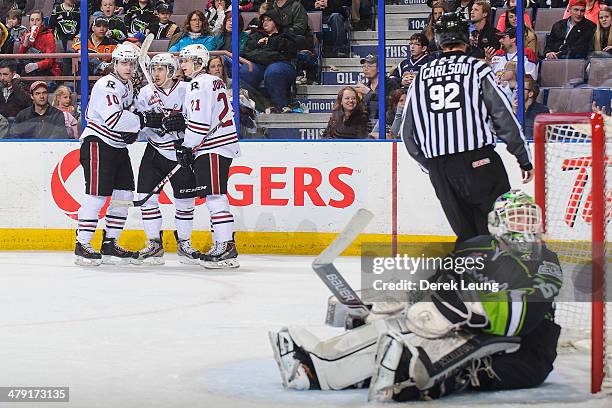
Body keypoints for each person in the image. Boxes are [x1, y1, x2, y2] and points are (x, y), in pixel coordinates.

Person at [269, 190, 562, 402]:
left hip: (522, 350)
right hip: (471, 328)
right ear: (498, 223)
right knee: (396, 326)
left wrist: (464, 307)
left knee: (427, 345)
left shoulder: (544, 260)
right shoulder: (476, 247)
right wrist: (393, 302)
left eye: (529, 220)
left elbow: (523, 316)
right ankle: (315, 368)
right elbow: (439, 282)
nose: (524, 227)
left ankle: (402, 381)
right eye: (516, 219)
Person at [399, 11, 533, 243]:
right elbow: (503, 116)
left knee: (468, 236)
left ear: (439, 40)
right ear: (466, 36)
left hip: (440, 169)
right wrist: (523, 158)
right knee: (496, 229)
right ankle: (501, 277)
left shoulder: (420, 77)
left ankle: (463, 277)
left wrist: (430, 164)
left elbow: (406, 133)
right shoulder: (477, 68)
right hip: (477, 161)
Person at [74, 43, 165, 266]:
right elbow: (114, 119)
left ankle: (110, 243)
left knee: (123, 196)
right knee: (96, 196)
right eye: (124, 62)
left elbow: (128, 119)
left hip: (117, 147)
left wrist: (135, 128)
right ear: (115, 63)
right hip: (99, 143)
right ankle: (82, 244)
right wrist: (142, 122)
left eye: (132, 63)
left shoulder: (128, 86)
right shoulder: (107, 85)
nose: (129, 67)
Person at [175, 44, 241, 269]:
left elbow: (200, 122)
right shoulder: (212, 81)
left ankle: (226, 246)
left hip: (212, 146)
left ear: (198, 62)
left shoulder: (198, 83)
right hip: (219, 144)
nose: (182, 65)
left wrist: (186, 146)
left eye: (185, 60)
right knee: (215, 195)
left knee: (215, 196)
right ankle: (222, 244)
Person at [133, 53, 203, 265]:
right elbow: (136, 127)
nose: (156, 73)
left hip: (180, 152)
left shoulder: (186, 90)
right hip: (154, 151)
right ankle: (154, 244)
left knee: (185, 202)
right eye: (153, 69)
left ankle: (184, 243)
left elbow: (198, 118)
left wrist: (183, 122)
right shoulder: (145, 93)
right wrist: (146, 121)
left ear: (172, 71)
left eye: (161, 69)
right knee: (147, 199)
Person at [239, 9, 298, 111]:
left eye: (269, 20)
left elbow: (291, 50)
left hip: (281, 64)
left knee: (273, 71)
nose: (265, 22)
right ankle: (252, 108)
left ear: (276, 21)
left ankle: (281, 106)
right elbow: (247, 52)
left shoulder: (285, 34)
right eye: (263, 20)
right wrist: (273, 52)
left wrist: (269, 42)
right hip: (258, 63)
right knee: (246, 71)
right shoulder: (256, 36)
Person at [354, 54, 399, 132]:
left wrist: (369, 93)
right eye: (364, 66)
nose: (366, 69)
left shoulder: (391, 84)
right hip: (368, 128)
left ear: (379, 68)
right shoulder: (365, 86)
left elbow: (392, 105)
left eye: (370, 66)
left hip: (386, 128)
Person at [18, 10, 62, 76]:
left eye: (37, 20)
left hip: (46, 70)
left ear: (42, 22)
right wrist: (25, 42)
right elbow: (20, 57)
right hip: (29, 68)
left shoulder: (49, 36)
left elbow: (49, 61)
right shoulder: (26, 35)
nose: (34, 23)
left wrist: (36, 65)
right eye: (32, 20)